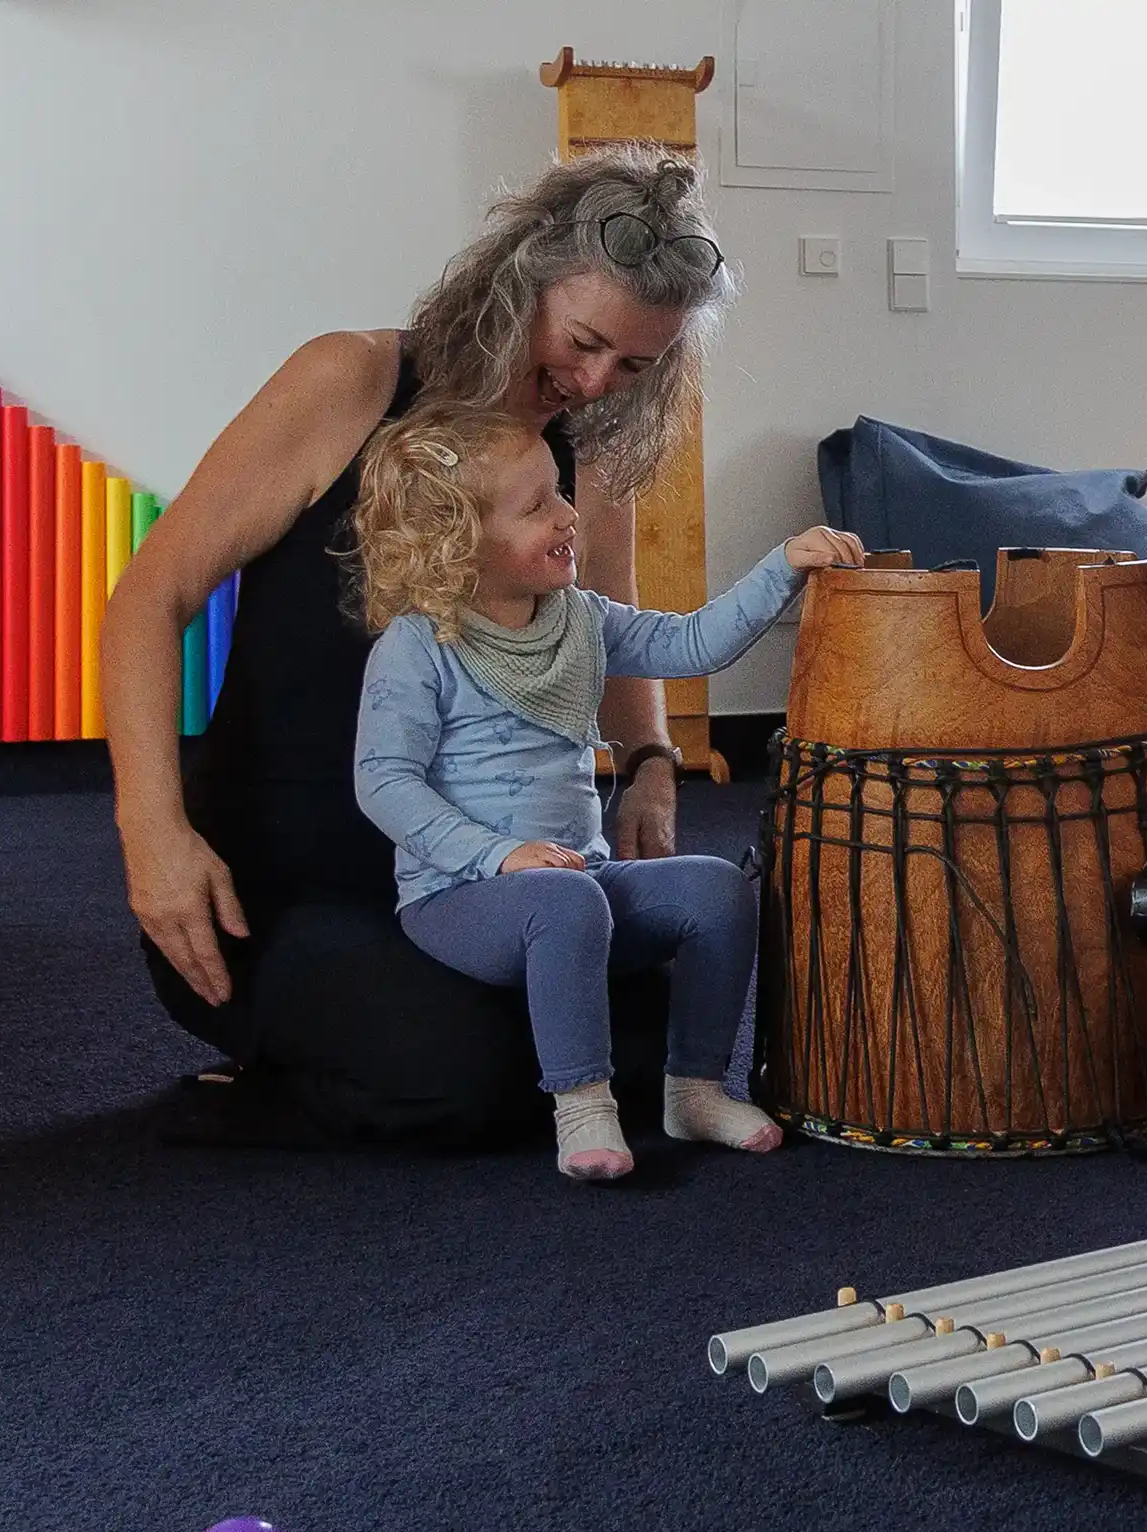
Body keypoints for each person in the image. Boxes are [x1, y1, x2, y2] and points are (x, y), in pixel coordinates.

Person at [103, 148, 742, 1145]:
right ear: (521, 278)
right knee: (468, 1077)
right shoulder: (349, 378)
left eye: (634, 365)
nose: (593, 380)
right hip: (290, 883)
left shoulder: (596, 443)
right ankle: (269, 1050)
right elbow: (149, 596)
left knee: (643, 1040)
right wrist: (153, 837)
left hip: (490, 876)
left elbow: (608, 621)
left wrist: (651, 767)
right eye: (583, 342)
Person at [349, 408, 863, 1179]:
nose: (567, 515)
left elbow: (695, 641)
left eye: (560, 493)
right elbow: (382, 781)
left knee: (719, 888)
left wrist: (784, 563)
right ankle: (584, 1108)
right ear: (459, 543)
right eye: (537, 507)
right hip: (458, 894)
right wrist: (500, 856)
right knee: (564, 899)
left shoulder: (580, 619)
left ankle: (693, 1090)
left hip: (576, 879)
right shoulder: (419, 646)